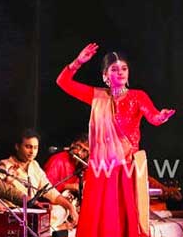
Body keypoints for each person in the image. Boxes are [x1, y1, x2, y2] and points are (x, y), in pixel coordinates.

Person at [56, 42, 176, 237]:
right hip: (101, 169)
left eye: (124, 68)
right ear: (105, 76)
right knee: (101, 218)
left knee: (123, 217)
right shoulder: (97, 97)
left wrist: (160, 117)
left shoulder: (138, 96)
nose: (120, 72)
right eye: (114, 69)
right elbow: (63, 82)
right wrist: (78, 62)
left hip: (126, 168)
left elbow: (153, 117)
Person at [0, 129, 79, 226]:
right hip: (13, 214)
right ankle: (52, 229)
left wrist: (70, 207)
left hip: (32, 214)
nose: (32, 151)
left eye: (35, 148)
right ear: (17, 146)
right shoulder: (5, 165)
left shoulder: (34, 165)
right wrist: (8, 180)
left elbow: (51, 192)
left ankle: (49, 228)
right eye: (28, 147)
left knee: (61, 209)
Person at [43, 133, 89, 235]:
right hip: (56, 206)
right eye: (78, 147)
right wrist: (70, 186)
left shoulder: (84, 167)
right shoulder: (58, 160)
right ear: (73, 144)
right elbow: (46, 189)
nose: (79, 152)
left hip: (71, 207)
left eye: (84, 151)